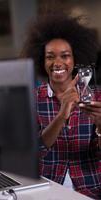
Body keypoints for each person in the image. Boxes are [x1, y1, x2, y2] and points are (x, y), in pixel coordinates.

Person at [21, 13, 101, 199]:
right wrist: (62, 114)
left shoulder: (96, 97)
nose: (57, 63)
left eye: (65, 56)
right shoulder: (31, 99)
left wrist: (100, 126)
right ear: (42, 61)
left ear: (74, 60)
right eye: (50, 57)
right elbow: (32, 153)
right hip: (47, 189)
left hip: (91, 189)